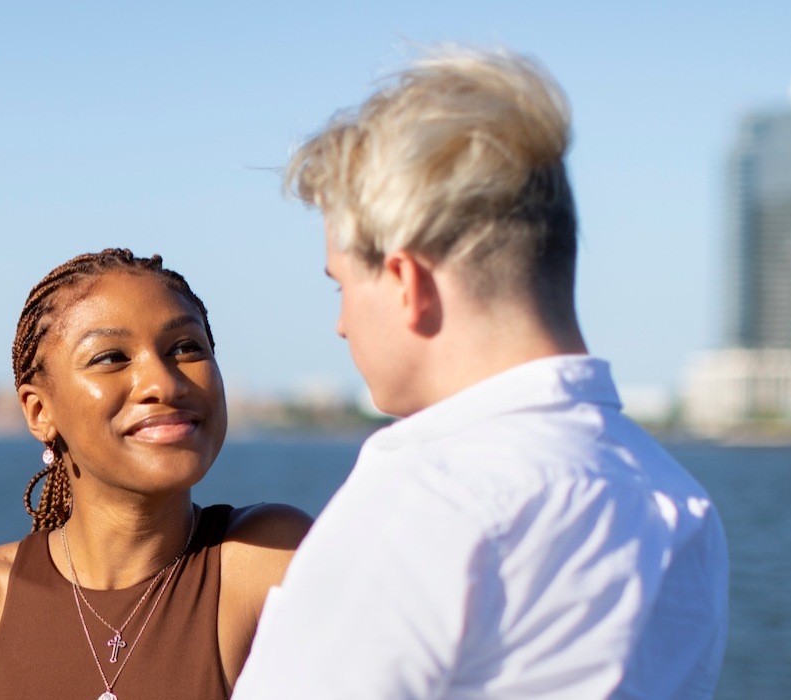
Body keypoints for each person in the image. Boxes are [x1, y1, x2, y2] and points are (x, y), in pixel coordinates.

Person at [231, 47, 730, 699]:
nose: (342, 325)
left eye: (342, 287)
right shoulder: (681, 504)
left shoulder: (424, 502)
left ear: (408, 283)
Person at [0, 249, 312, 700]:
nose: (163, 383)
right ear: (40, 411)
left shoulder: (272, 559)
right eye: (111, 357)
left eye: (186, 348)